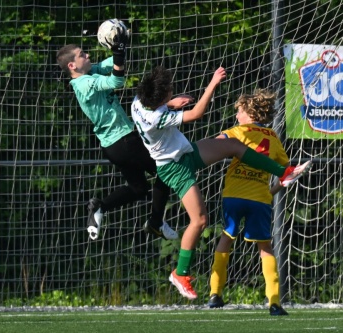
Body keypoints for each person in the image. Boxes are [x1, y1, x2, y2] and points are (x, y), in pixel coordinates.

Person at [131, 66, 312, 300]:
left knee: (234, 146)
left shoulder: (138, 100)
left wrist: (173, 102)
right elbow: (196, 114)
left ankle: (283, 172)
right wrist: (213, 83)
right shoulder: (156, 118)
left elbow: (158, 105)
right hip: (174, 167)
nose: (172, 92)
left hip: (183, 152)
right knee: (200, 220)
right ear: (158, 99)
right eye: (169, 92)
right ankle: (180, 273)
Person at [56, 22, 191, 241]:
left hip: (114, 146)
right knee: (167, 170)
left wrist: (119, 47)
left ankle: (100, 206)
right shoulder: (84, 84)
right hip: (124, 141)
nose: (87, 54)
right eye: (82, 54)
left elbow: (114, 63)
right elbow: (117, 80)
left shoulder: (90, 71)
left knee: (138, 189)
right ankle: (156, 222)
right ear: (72, 65)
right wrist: (118, 53)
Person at [208, 89, 308, 315]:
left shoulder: (236, 131)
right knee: (265, 247)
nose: (237, 116)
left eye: (239, 111)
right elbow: (285, 174)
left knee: (226, 237)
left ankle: (215, 294)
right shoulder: (273, 137)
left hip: (233, 195)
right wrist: (275, 188)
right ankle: (274, 302)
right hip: (260, 199)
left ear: (248, 112)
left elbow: (212, 145)